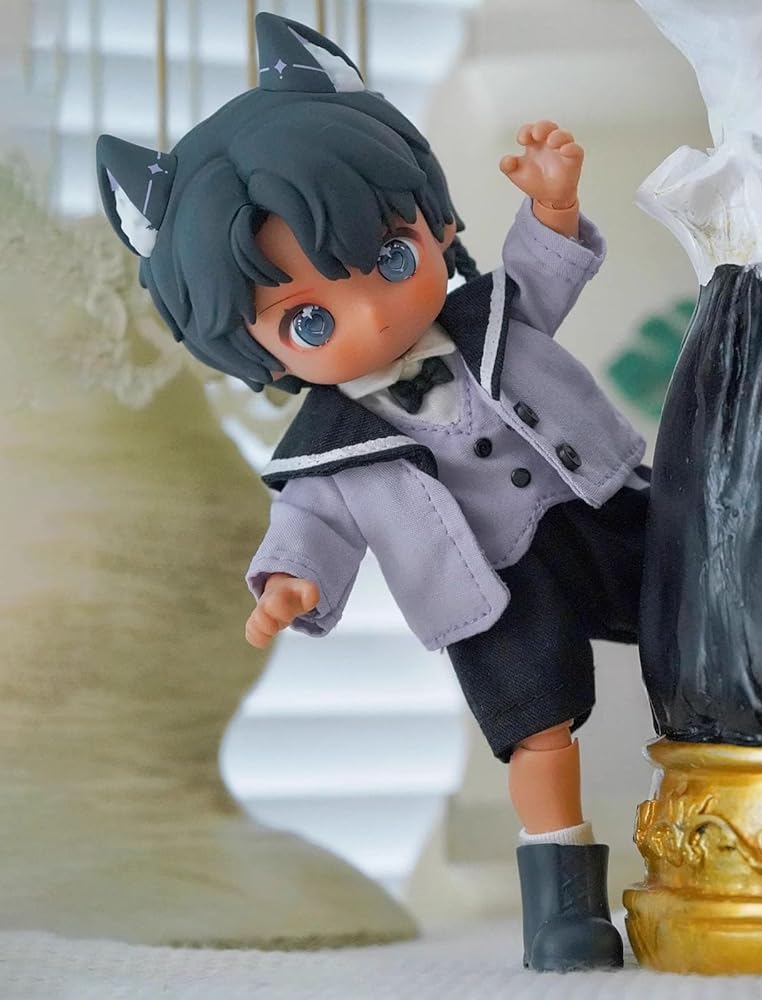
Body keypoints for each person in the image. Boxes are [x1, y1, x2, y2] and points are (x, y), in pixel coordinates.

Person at [96, 12, 646, 971]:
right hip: (492, 589)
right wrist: (291, 584)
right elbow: (310, 521)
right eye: (308, 319)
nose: (373, 312)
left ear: (436, 222)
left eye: (391, 258)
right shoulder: (330, 449)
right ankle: (563, 903)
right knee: (538, 732)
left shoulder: (491, 317)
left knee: (700, 621)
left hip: (602, 505)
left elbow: (541, 274)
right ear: (250, 349)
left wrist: (553, 202)